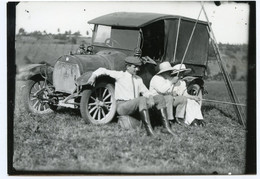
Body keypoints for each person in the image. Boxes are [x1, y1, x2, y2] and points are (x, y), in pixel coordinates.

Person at [86, 56, 175, 136]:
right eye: (134, 67)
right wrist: (93, 76)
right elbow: (102, 70)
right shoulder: (120, 75)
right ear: (128, 67)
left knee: (159, 98)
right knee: (141, 99)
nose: (137, 69)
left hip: (135, 105)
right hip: (122, 106)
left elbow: (146, 92)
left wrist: (151, 97)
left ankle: (166, 127)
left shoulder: (138, 79)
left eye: (138, 67)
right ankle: (149, 130)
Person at [149, 62, 205, 126]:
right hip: (156, 99)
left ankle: (180, 118)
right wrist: (172, 83)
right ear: (162, 72)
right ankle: (169, 119)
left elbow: (174, 91)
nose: (169, 73)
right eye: (167, 71)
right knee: (169, 98)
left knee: (182, 99)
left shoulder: (169, 79)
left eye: (169, 71)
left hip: (168, 99)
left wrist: (173, 92)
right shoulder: (156, 78)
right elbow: (162, 90)